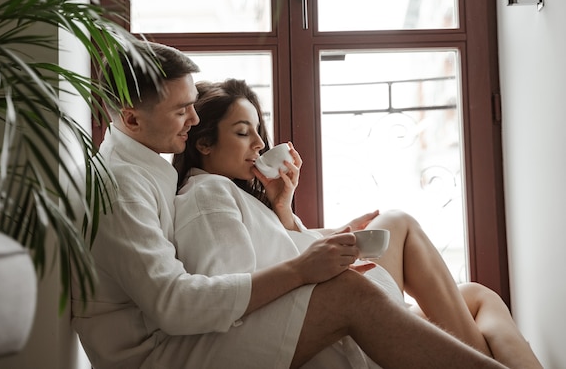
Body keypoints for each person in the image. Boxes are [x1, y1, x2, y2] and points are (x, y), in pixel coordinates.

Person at [70, 40, 512, 369]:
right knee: (353, 294)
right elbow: (175, 304)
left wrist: (293, 220)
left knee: (472, 296)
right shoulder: (125, 187)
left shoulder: (146, 168)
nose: (193, 117)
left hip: (181, 335)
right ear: (130, 117)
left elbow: (245, 256)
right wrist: (304, 267)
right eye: (182, 110)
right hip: (159, 356)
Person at [171, 78, 543, 369]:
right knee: (403, 227)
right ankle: (475, 359)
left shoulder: (239, 195)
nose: (259, 144)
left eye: (258, 132)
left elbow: (276, 251)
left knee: (478, 295)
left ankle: (475, 359)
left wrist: (283, 207)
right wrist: (318, 255)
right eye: (242, 132)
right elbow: (236, 294)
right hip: (323, 320)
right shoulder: (208, 195)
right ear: (203, 143)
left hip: (327, 301)